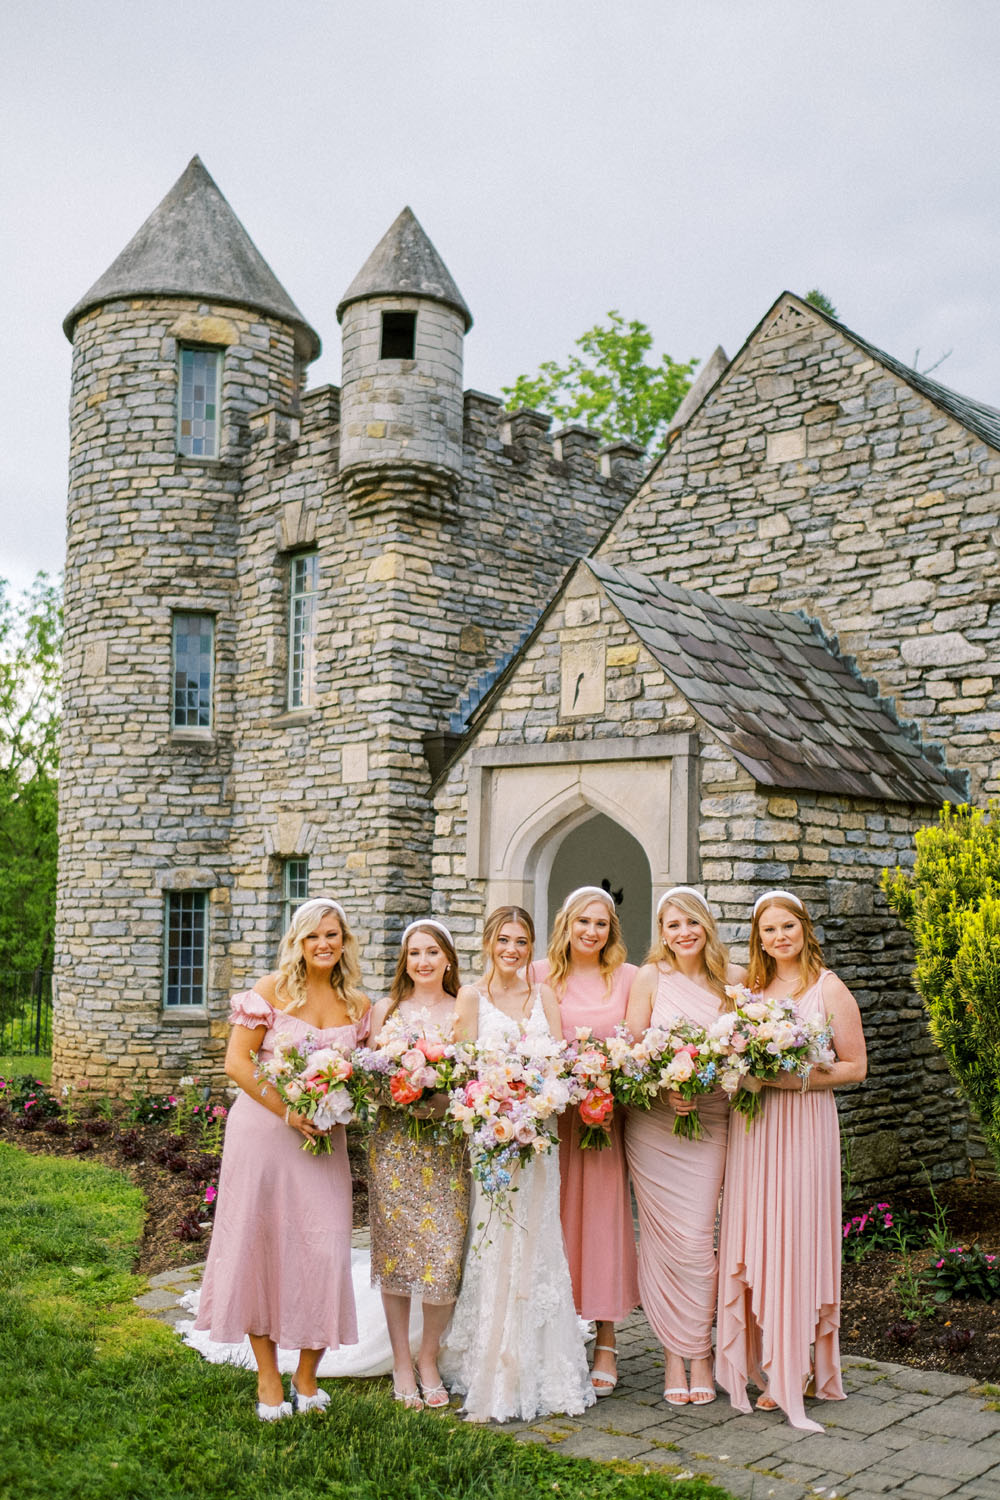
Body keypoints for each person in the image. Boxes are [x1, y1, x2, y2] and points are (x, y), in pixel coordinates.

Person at [192, 897, 370, 1420]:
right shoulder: (269, 992)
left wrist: (343, 1099)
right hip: (264, 1135)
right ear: (297, 941)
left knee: (326, 1247)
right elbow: (237, 1063)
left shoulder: (358, 1006)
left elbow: (363, 1073)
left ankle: (307, 1376)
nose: (324, 944)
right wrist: (291, 1110)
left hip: (324, 1142)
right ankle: (268, 1379)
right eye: (313, 935)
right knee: (259, 1245)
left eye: (333, 935)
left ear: (344, 942)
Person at [716, 890, 867, 1432]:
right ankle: (763, 1363)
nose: (779, 938)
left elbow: (855, 1068)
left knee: (796, 1240)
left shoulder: (830, 988)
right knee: (759, 1238)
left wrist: (793, 1077)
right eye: (768, 930)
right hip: (755, 1129)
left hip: (804, 1126)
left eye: (787, 927)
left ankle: (798, 1366)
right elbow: (729, 1058)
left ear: (804, 928)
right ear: (758, 937)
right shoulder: (749, 992)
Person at [440, 906, 595, 1423]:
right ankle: (492, 1359)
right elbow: (460, 1073)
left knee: (537, 1236)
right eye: (504, 939)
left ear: (532, 946)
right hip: (491, 1137)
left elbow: (560, 1066)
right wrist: (493, 1102)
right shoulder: (470, 997)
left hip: (538, 1136)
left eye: (522, 941)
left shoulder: (543, 995)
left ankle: (544, 1359)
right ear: (488, 942)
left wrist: (538, 1098)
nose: (512, 949)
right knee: (496, 1237)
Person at [624, 886, 743, 1407]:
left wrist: (710, 1084)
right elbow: (630, 1052)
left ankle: (705, 1352)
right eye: (673, 925)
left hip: (712, 1119)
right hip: (653, 1123)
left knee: (698, 1239)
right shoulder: (651, 977)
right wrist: (664, 1084)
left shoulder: (733, 980)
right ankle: (676, 1355)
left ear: (706, 925)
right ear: (662, 932)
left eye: (691, 923)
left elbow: (747, 1047)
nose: (683, 933)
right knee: (661, 1238)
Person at [532, 886, 639, 1397]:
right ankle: (555, 1334)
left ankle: (607, 1340)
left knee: (601, 1222)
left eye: (601, 924)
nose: (591, 932)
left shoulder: (628, 978)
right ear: (566, 924)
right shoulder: (538, 975)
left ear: (611, 929)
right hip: (552, 1123)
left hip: (603, 1123)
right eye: (583, 922)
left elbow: (640, 1043)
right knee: (552, 1220)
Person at [367, 918, 470, 1410]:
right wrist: (399, 1093)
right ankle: (401, 1363)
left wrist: (441, 1101)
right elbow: (364, 1077)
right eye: (414, 954)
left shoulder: (463, 1009)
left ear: (448, 958)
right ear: (404, 961)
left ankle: (428, 1355)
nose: (423, 962)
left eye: (432, 952)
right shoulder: (385, 1009)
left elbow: (474, 1079)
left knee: (445, 1257)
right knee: (395, 1257)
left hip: (447, 1148)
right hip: (394, 1146)